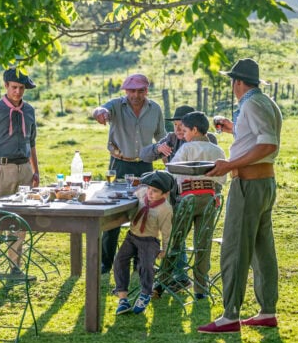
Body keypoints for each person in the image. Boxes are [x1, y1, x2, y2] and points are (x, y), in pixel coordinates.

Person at [197, 58, 283, 334]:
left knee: (234, 247)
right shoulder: (266, 102)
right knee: (262, 248)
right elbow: (258, 137)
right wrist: (232, 128)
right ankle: (267, 310)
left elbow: (268, 143)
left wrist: (229, 165)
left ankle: (230, 315)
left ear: (238, 82)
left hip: (248, 183)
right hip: (265, 181)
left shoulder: (251, 104)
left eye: (232, 82)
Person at [92, 73, 166, 274]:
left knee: (143, 213)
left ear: (146, 91)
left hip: (144, 166)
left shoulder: (155, 109)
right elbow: (101, 109)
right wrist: (99, 113)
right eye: (132, 91)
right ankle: (106, 263)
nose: (136, 95)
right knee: (113, 212)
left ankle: (138, 262)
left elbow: (162, 137)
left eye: (140, 91)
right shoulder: (116, 105)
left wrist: (169, 160)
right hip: (119, 165)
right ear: (125, 91)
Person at [157, 111, 226, 299]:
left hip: (188, 199)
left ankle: (161, 282)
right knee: (202, 243)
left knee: (175, 240)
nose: (183, 134)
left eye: (185, 130)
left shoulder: (187, 148)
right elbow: (222, 179)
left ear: (194, 130)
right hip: (210, 199)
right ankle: (201, 289)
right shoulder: (218, 151)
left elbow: (173, 173)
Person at [0, 67, 39, 271]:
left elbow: (33, 143)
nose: (18, 92)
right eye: (14, 87)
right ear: (5, 86)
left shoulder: (29, 111)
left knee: (21, 220)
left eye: (21, 88)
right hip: (1, 170)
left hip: (24, 170)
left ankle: (15, 265)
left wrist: (35, 171)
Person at [113, 171, 175, 315]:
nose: (150, 193)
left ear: (165, 194)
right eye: (149, 189)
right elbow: (133, 191)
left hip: (149, 240)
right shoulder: (142, 194)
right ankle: (123, 298)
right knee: (119, 260)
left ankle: (146, 293)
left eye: (155, 191)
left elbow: (167, 231)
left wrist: (165, 249)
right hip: (132, 236)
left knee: (145, 266)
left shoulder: (165, 209)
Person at [140, 105, 218, 164]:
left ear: (193, 126)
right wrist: (158, 148)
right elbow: (143, 155)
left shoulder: (208, 138)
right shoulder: (172, 138)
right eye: (175, 124)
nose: (177, 129)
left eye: (181, 125)